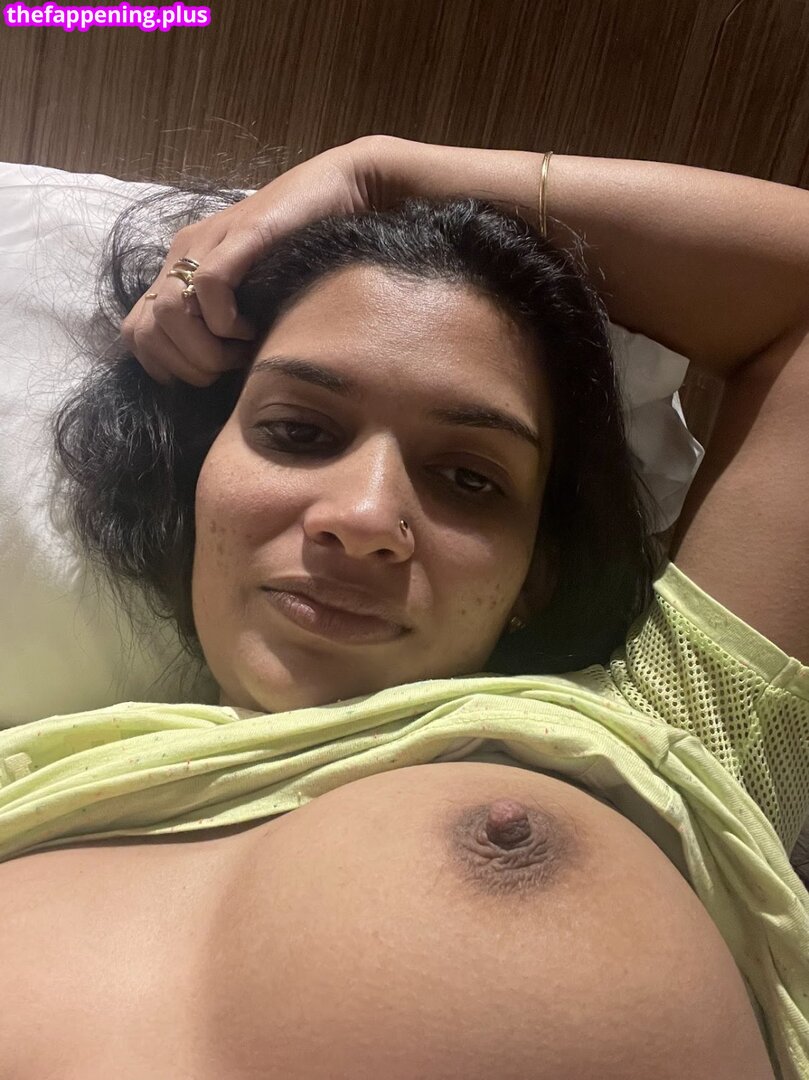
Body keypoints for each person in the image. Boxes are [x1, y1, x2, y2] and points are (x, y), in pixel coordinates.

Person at [0, 137, 806, 1079]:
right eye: (298, 431)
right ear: (199, 485)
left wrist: (378, 173)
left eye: (469, 479)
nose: (363, 518)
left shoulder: (663, 728)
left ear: (536, 576)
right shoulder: (35, 783)